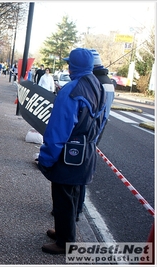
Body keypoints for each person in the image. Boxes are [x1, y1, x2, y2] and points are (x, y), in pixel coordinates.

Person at [37, 48, 107, 254]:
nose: (68, 66)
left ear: (74, 65)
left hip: (68, 154)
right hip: (87, 150)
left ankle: (65, 242)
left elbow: (58, 129)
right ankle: (63, 231)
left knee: (62, 196)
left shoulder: (70, 90)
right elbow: (102, 121)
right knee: (73, 194)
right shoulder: (98, 86)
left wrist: (46, 158)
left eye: (70, 63)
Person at [76, 49, 115, 219]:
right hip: (92, 136)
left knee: (79, 173)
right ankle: (76, 208)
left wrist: (91, 138)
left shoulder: (100, 83)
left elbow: (100, 114)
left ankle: (76, 209)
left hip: (89, 135)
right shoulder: (103, 81)